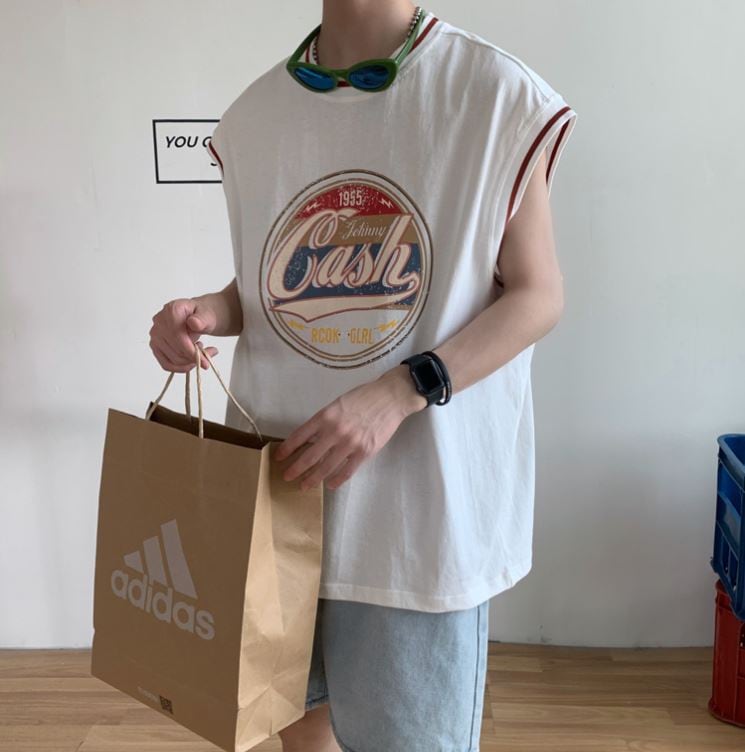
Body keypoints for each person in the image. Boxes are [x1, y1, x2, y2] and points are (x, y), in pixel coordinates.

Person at [149, 1, 578, 749]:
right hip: (276, 494)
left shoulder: (494, 95)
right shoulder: (252, 118)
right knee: (294, 726)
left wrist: (400, 391)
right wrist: (209, 312)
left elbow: (538, 295)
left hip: (414, 520)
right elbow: (276, 280)